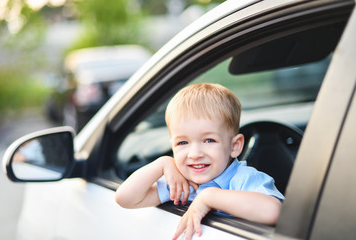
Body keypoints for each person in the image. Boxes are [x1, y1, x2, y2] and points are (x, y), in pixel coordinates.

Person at [115, 83, 284, 240]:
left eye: (209, 140)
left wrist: (209, 197)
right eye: (182, 143)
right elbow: (125, 198)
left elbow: (273, 211)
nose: (195, 154)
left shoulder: (245, 179)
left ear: (235, 146)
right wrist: (162, 163)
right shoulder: (180, 184)